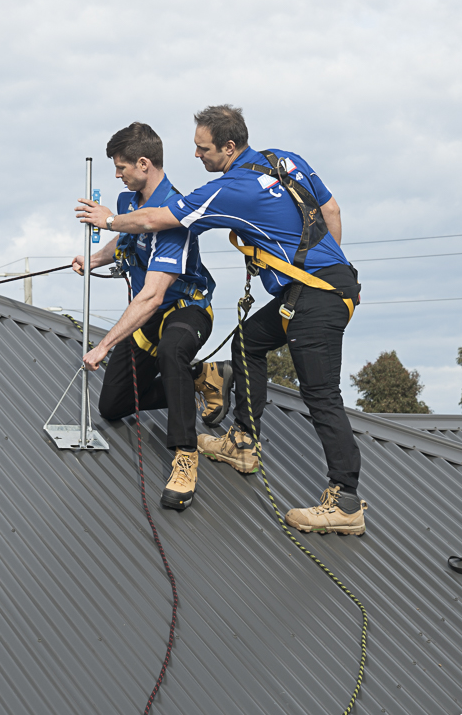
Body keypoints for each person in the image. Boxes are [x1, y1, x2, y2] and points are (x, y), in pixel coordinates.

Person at [76, 106, 368, 535]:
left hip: (316, 297)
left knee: (321, 395)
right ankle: (243, 444)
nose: (196, 156)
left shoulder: (231, 188)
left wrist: (110, 220)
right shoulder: (283, 160)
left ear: (229, 148)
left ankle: (344, 501)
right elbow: (333, 212)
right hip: (317, 285)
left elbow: (162, 218)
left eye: (203, 148)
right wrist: (324, 268)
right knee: (249, 340)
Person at [75, 122, 231, 511]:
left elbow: (151, 296)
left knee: (171, 351)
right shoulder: (129, 202)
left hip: (185, 308)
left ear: (143, 164)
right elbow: (127, 238)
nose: (117, 175)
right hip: (151, 315)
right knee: (113, 404)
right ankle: (204, 378)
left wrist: (103, 346)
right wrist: (94, 259)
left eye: (122, 167)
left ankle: (184, 456)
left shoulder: (173, 214)